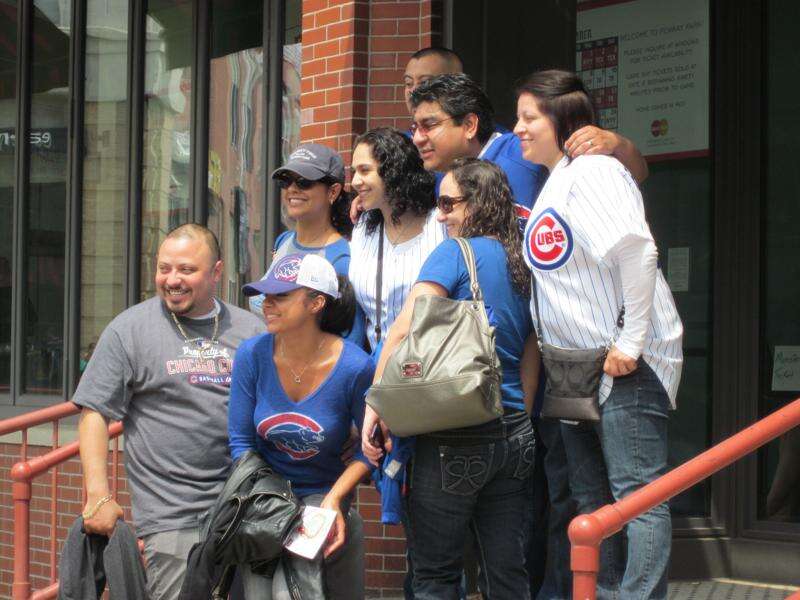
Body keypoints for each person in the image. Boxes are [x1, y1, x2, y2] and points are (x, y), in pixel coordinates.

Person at [515, 69, 683, 600]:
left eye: (529, 118)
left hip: (622, 363)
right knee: (592, 500)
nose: (518, 129)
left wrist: (630, 343)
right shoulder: (559, 178)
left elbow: (638, 251)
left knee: (637, 495)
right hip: (574, 368)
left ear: (562, 118)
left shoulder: (593, 171)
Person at [363, 158, 540, 600]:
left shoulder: (454, 253)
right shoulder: (523, 260)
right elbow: (532, 350)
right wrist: (518, 413)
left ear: (477, 204)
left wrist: (375, 404)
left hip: (454, 433)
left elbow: (405, 327)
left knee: (436, 576)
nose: (439, 216)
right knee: (506, 572)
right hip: (514, 433)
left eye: (447, 204)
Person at [74, 224, 266, 600]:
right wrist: (98, 494)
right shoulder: (129, 330)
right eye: (164, 268)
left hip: (244, 509)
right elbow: (94, 412)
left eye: (186, 270)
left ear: (216, 271)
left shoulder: (251, 331)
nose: (172, 280)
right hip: (173, 518)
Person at [230, 253, 374, 599]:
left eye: (281, 295)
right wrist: (266, 499)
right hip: (264, 496)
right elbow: (240, 443)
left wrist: (335, 498)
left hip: (322, 496)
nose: (267, 303)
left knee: (292, 592)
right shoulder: (251, 355)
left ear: (316, 303)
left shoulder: (355, 367)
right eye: (265, 295)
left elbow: (372, 449)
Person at [249, 142, 365, 346]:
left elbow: (349, 342)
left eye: (304, 182)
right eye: (286, 181)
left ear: (333, 191)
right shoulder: (283, 241)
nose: (292, 189)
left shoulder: (343, 259)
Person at [349, 127, 444, 356]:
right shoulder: (363, 228)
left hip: (431, 365)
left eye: (364, 170)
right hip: (378, 364)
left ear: (394, 171)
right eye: (354, 172)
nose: (354, 181)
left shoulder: (441, 225)